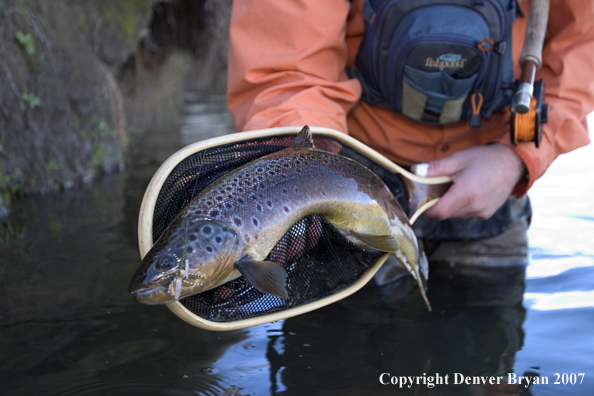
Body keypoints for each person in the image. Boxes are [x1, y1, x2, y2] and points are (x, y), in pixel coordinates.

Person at [226, 0, 594, 275]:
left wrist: (517, 155)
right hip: (351, 168)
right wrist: (304, 170)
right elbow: (288, 70)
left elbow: (581, 45)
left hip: (495, 176)